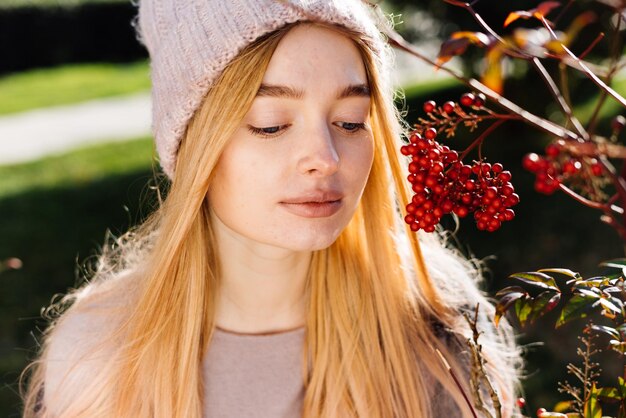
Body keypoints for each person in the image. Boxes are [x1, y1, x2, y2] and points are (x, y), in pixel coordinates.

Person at [20, 0, 523, 417]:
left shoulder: (436, 333)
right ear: (194, 144)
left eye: (350, 121)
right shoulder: (97, 355)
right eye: (270, 123)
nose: (325, 160)